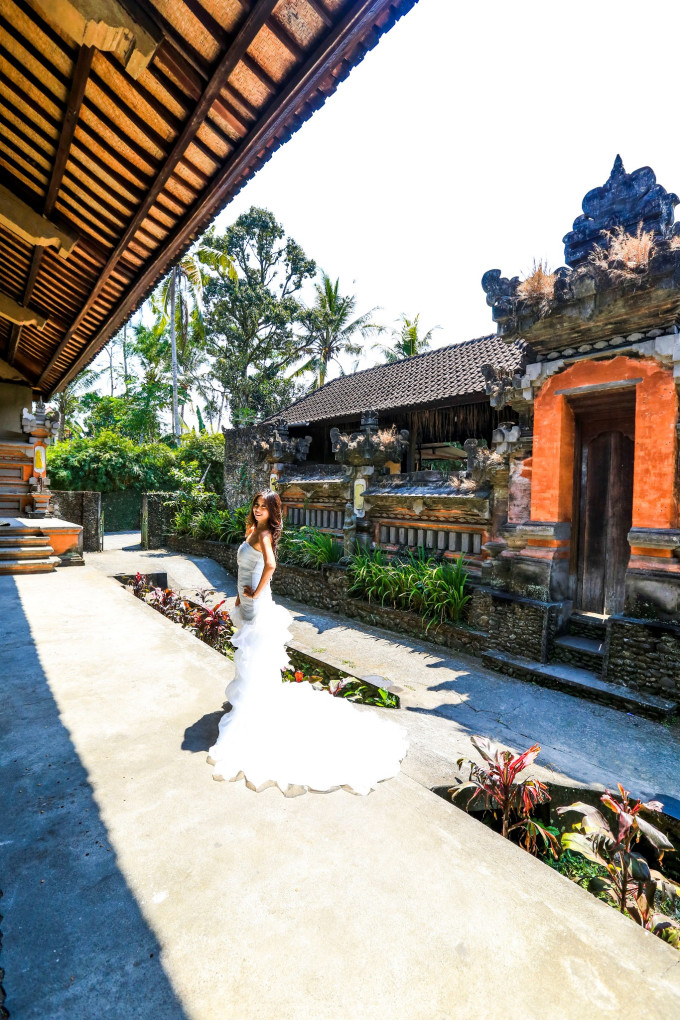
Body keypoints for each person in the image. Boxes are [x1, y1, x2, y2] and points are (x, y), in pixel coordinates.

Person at [208, 490, 408, 796]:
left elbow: (270, 566)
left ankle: (255, 707)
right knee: (247, 655)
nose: (258, 509)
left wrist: (255, 593)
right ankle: (249, 700)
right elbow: (244, 570)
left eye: (264, 507)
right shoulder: (252, 530)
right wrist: (239, 597)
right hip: (246, 603)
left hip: (257, 604)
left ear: (272, 512)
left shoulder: (264, 535)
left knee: (253, 655)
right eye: (256, 505)